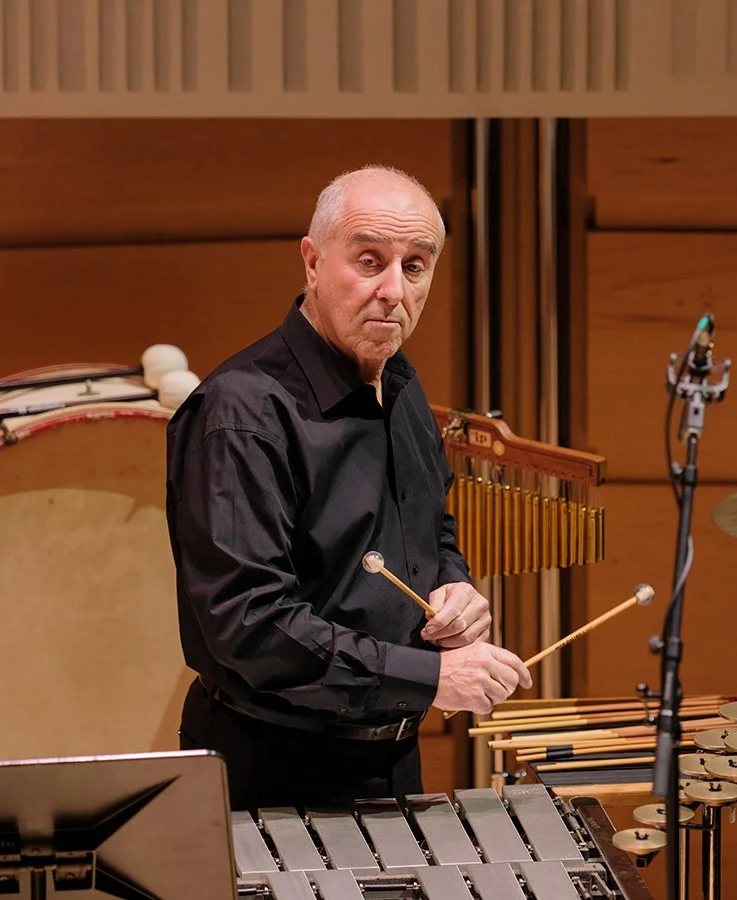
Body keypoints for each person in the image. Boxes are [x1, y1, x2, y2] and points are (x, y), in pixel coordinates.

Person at [166, 165, 532, 812]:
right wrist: (429, 678)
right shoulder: (242, 415)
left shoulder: (403, 386)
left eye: (415, 267)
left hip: (388, 755)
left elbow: (429, 527)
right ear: (312, 262)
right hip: (270, 769)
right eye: (370, 261)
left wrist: (455, 587)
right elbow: (249, 627)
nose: (394, 290)